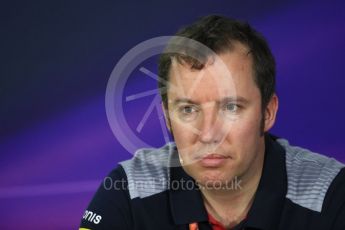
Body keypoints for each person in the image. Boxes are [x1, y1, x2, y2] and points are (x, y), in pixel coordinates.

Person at [79, 15, 345, 230]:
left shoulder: (332, 195)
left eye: (231, 107)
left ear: (268, 112)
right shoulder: (130, 188)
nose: (208, 135)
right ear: (167, 118)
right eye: (188, 109)